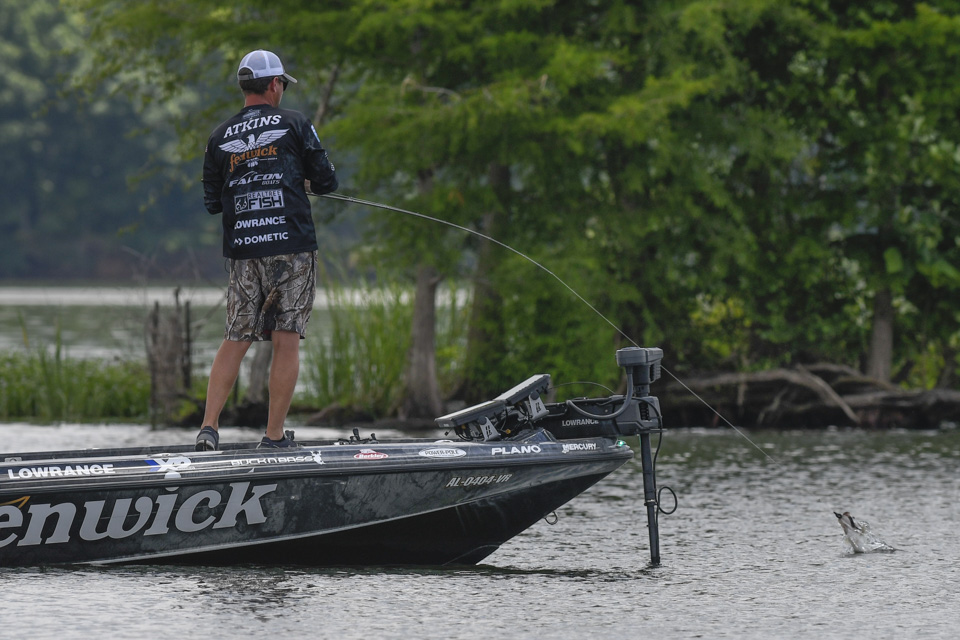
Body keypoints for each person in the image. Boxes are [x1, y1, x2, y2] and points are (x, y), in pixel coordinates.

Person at [196, 49, 338, 450]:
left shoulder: (218, 137)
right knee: (286, 338)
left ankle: (208, 427)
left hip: (243, 250)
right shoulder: (295, 123)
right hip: (291, 246)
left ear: (244, 86)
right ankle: (274, 437)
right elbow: (327, 181)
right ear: (275, 84)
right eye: (282, 84)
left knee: (236, 337)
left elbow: (213, 202)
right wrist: (302, 182)